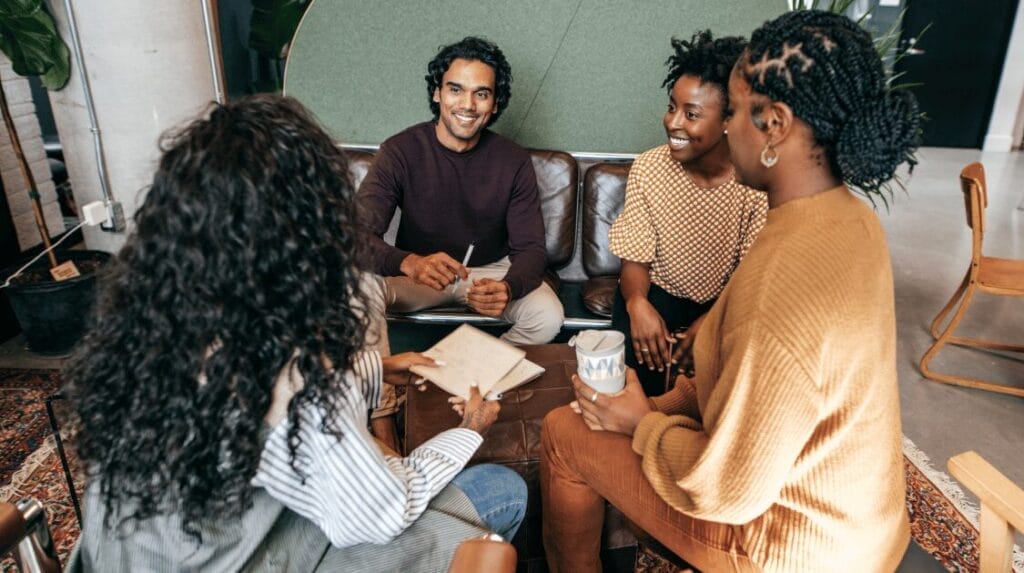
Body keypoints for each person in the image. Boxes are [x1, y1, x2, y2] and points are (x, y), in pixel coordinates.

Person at [65, 95, 526, 572]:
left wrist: (376, 368)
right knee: (500, 493)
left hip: (129, 556)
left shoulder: (153, 318)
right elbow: (378, 514)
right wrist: (470, 429)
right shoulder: (292, 368)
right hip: (250, 558)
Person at [541, 10, 920, 572]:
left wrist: (639, 424)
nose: (728, 127)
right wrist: (655, 404)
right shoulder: (852, 221)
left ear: (776, 126)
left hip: (794, 548)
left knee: (562, 433)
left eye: (738, 111)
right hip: (864, 520)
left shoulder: (778, 284)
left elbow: (728, 492)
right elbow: (757, 389)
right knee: (597, 416)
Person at [356, 36, 564, 347]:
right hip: (421, 274)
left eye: (481, 94)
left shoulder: (513, 159)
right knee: (357, 291)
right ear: (437, 93)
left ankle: (472, 376)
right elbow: (355, 236)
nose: (467, 105)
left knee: (548, 315)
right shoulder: (400, 150)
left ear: (494, 104)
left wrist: (507, 288)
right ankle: (386, 392)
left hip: (488, 275)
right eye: (455, 89)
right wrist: (410, 262)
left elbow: (531, 248)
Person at [608, 31, 766, 396]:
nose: (673, 123)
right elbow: (635, 258)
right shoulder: (649, 167)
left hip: (726, 302)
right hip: (653, 293)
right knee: (632, 394)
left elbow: (751, 278)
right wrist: (636, 304)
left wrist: (710, 324)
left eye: (691, 114)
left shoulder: (755, 182)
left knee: (713, 398)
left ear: (728, 119)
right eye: (671, 107)